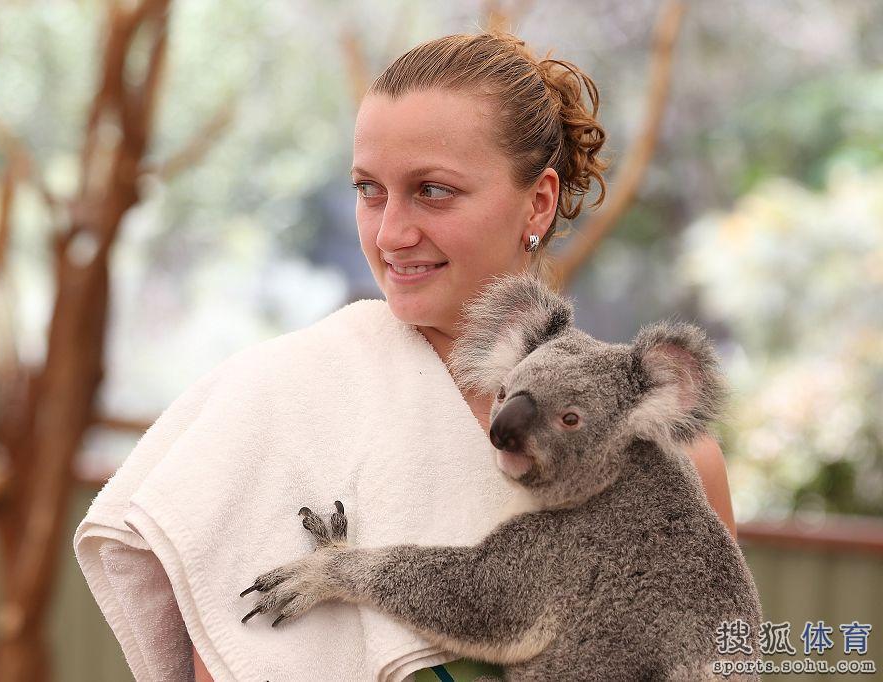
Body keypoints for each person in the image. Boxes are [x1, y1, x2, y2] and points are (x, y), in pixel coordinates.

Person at [186, 28, 738, 682]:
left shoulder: (665, 464)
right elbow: (226, 658)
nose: (391, 233)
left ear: (538, 201)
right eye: (369, 189)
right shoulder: (285, 411)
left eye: (433, 190)